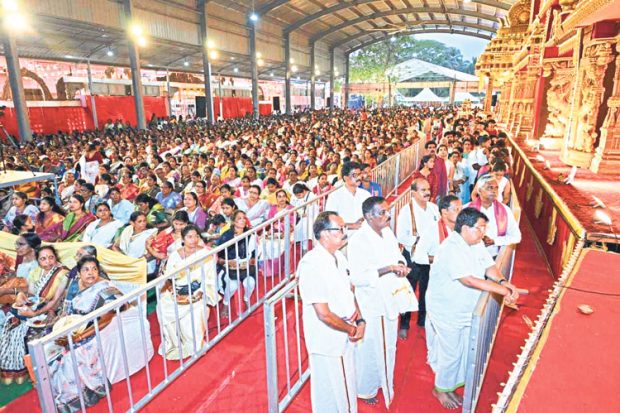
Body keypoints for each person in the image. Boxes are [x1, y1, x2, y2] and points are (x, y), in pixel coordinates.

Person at [426, 207, 519, 409]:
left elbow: (488, 267)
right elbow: (468, 279)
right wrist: (502, 291)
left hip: (465, 306)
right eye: (480, 228)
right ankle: (440, 388)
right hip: (446, 309)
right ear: (465, 228)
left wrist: (503, 282)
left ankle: (450, 385)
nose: (483, 233)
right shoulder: (451, 247)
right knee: (451, 352)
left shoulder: (474, 243)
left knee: (464, 349)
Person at [298, 211, 365, 413]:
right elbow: (323, 314)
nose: (344, 233)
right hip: (328, 337)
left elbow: (350, 291)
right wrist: (351, 330)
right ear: (324, 233)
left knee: (346, 384)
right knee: (329, 390)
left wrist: (360, 320)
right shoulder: (311, 264)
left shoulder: (338, 257)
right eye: (340, 228)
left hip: (346, 330)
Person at [347, 197, 411, 407]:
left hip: (390, 296)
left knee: (388, 344)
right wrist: (389, 268)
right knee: (371, 346)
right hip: (372, 301)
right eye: (382, 213)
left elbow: (396, 255)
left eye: (387, 211)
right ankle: (364, 389)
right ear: (368, 216)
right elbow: (358, 278)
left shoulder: (386, 232)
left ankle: (382, 380)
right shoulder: (359, 240)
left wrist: (400, 264)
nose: (387, 216)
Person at [48, 256, 125, 412]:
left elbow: (106, 319)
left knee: (71, 357)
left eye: (94, 269)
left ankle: (74, 399)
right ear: (79, 273)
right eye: (86, 269)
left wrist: (78, 337)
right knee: (48, 348)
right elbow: (66, 312)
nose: (91, 273)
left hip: (90, 330)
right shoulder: (75, 285)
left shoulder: (104, 289)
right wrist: (61, 330)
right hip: (71, 327)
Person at [0, 246, 69, 384]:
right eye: (43, 259)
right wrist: (21, 297)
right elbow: (32, 295)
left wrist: (35, 312)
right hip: (36, 309)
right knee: (11, 325)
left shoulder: (63, 274)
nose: (48, 262)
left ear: (56, 257)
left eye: (51, 257)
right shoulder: (35, 272)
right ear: (38, 261)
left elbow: (55, 300)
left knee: (26, 333)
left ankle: (41, 374)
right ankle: (18, 370)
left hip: (53, 310)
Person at [157, 225, 217, 360]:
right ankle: (174, 344)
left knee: (195, 315)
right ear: (183, 239)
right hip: (177, 292)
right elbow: (169, 277)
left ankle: (195, 346)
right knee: (162, 306)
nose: (194, 240)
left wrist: (201, 292)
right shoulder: (175, 255)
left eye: (196, 236)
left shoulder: (205, 254)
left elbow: (210, 279)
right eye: (190, 237)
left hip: (197, 293)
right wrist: (173, 292)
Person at [396, 177, 440, 332]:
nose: (427, 193)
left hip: (431, 258)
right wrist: (420, 241)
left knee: (427, 290)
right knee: (409, 291)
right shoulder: (406, 211)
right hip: (413, 257)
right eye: (423, 190)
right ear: (413, 193)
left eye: (428, 189)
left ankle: (423, 321)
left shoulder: (434, 209)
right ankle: (404, 324)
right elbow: (401, 236)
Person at [467, 175, 521, 259]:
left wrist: (494, 241)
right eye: (490, 188)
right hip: (470, 257)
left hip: (494, 258)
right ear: (479, 190)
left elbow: (516, 237)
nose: (494, 191)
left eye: (496, 188)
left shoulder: (505, 211)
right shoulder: (466, 210)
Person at [216, 210, 257, 317]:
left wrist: (249, 262)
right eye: (239, 218)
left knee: (250, 282)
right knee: (232, 285)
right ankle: (225, 304)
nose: (243, 220)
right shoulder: (226, 236)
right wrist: (228, 262)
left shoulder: (249, 234)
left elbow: (253, 255)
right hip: (229, 267)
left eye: (244, 218)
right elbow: (218, 257)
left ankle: (247, 299)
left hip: (245, 267)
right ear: (233, 222)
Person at [325, 162, 371, 231]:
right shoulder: (334, 196)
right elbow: (330, 221)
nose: (359, 177)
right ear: (345, 178)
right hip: (344, 237)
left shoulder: (366, 194)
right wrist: (352, 225)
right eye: (355, 175)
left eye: (360, 174)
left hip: (364, 236)